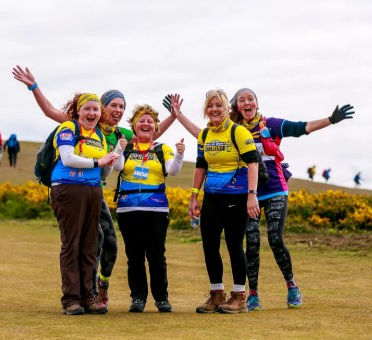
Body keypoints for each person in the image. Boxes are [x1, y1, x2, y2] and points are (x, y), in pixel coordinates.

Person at [167, 88, 355, 311]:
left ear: (255, 104)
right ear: (236, 107)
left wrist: (331, 120)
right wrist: (178, 116)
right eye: (242, 100)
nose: (247, 103)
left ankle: (289, 286)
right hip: (241, 192)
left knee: (274, 239)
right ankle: (251, 294)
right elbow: (202, 136)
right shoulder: (224, 130)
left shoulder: (267, 125)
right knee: (252, 242)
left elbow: (301, 128)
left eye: (251, 99)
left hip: (268, 190)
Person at [12, 65, 176, 307]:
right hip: (73, 187)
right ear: (102, 107)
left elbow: (149, 134)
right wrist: (33, 86)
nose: (118, 110)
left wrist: (174, 115)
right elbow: (49, 111)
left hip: (94, 190)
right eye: (113, 105)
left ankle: (100, 287)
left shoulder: (120, 132)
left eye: (122, 106)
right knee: (90, 240)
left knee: (108, 242)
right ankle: (84, 293)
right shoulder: (81, 124)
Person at [181, 89, 260, 314]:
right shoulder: (205, 135)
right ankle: (217, 295)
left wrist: (251, 195)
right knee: (209, 244)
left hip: (237, 196)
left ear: (227, 108)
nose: (214, 109)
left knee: (234, 244)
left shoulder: (239, 132)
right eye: (210, 105)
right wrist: (194, 196)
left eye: (219, 105)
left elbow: (253, 164)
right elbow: (200, 166)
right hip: (212, 197)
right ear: (206, 110)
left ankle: (239, 296)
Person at [50, 92, 120, 315]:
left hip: (93, 190)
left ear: (101, 114)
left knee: (90, 243)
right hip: (68, 187)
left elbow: (104, 170)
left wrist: (112, 156)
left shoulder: (98, 134)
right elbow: (68, 158)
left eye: (96, 110)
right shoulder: (68, 128)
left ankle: (88, 297)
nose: (92, 113)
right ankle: (71, 300)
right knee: (72, 243)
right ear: (78, 110)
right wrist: (100, 160)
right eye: (87, 109)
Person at [113, 104, 185, 313]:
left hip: (156, 209)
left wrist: (179, 155)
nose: (145, 124)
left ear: (155, 127)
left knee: (156, 255)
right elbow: (117, 167)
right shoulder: (126, 147)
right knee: (134, 256)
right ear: (134, 126)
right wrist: (118, 148)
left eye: (150, 121)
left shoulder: (162, 148)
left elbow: (172, 171)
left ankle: (161, 298)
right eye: (141, 121)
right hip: (128, 209)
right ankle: (138, 298)